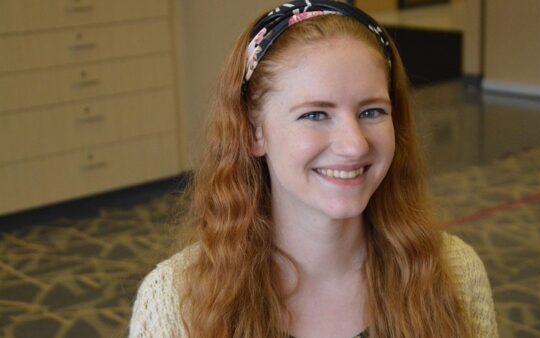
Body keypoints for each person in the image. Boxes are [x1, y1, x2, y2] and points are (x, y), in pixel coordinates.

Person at [128, 1, 498, 337]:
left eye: (372, 111)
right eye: (315, 114)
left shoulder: (454, 273)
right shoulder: (176, 303)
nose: (354, 144)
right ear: (255, 133)